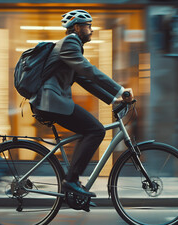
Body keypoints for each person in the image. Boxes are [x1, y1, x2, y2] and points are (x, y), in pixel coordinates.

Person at [29, 9, 132, 197]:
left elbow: (85, 80)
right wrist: (120, 89)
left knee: (90, 130)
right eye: (88, 26)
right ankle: (71, 181)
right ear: (77, 27)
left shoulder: (71, 46)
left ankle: (73, 183)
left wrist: (112, 99)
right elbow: (87, 70)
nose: (91, 30)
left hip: (52, 102)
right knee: (96, 130)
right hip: (51, 102)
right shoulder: (70, 43)